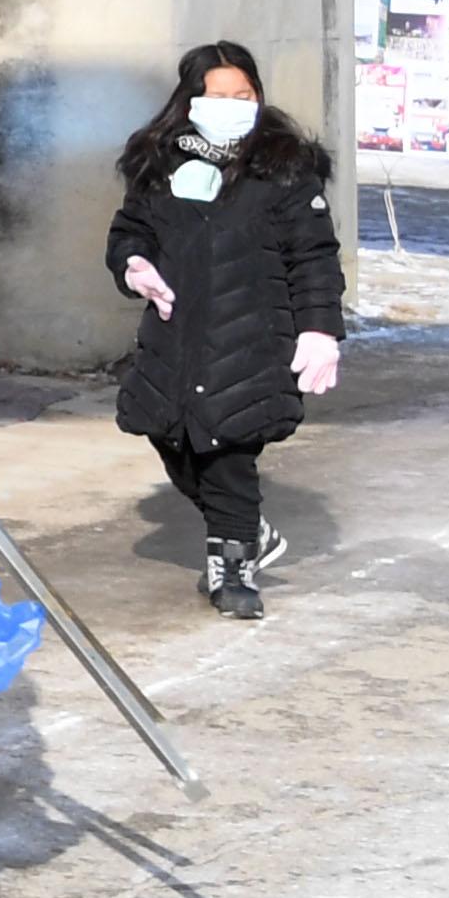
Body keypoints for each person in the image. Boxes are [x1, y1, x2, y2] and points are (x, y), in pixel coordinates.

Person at [105, 41, 344, 621]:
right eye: (220, 96)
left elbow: (315, 256)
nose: (236, 105)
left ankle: (234, 566)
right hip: (176, 334)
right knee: (171, 436)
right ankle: (247, 531)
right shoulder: (160, 166)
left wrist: (319, 329)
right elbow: (128, 231)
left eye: (246, 95)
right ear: (190, 101)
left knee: (228, 451)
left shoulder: (283, 169)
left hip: (253, 339)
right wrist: (134, 266)